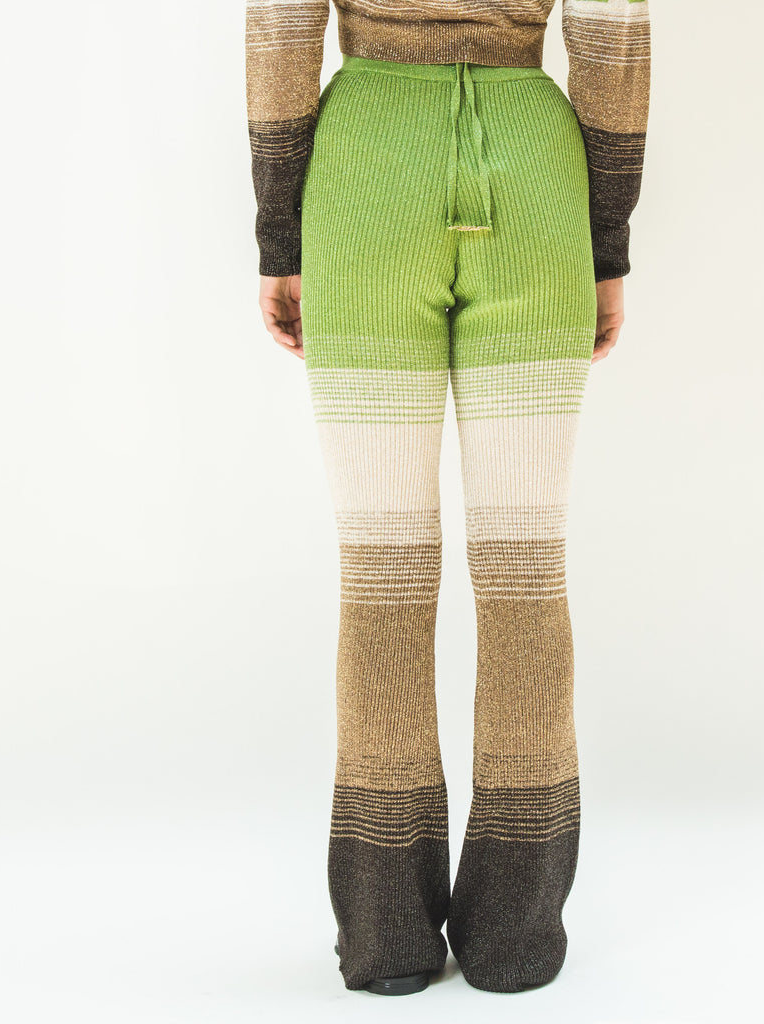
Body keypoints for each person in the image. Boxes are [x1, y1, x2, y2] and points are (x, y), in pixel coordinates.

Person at [245, 0, 651, 997]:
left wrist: (279, 234)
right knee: (525, 577)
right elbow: (613, 38)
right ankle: (515, 938)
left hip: (365, 175)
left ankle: (386, 938)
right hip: (533, 174)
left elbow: (281, 31)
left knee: (381, 577)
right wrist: (604, 243)